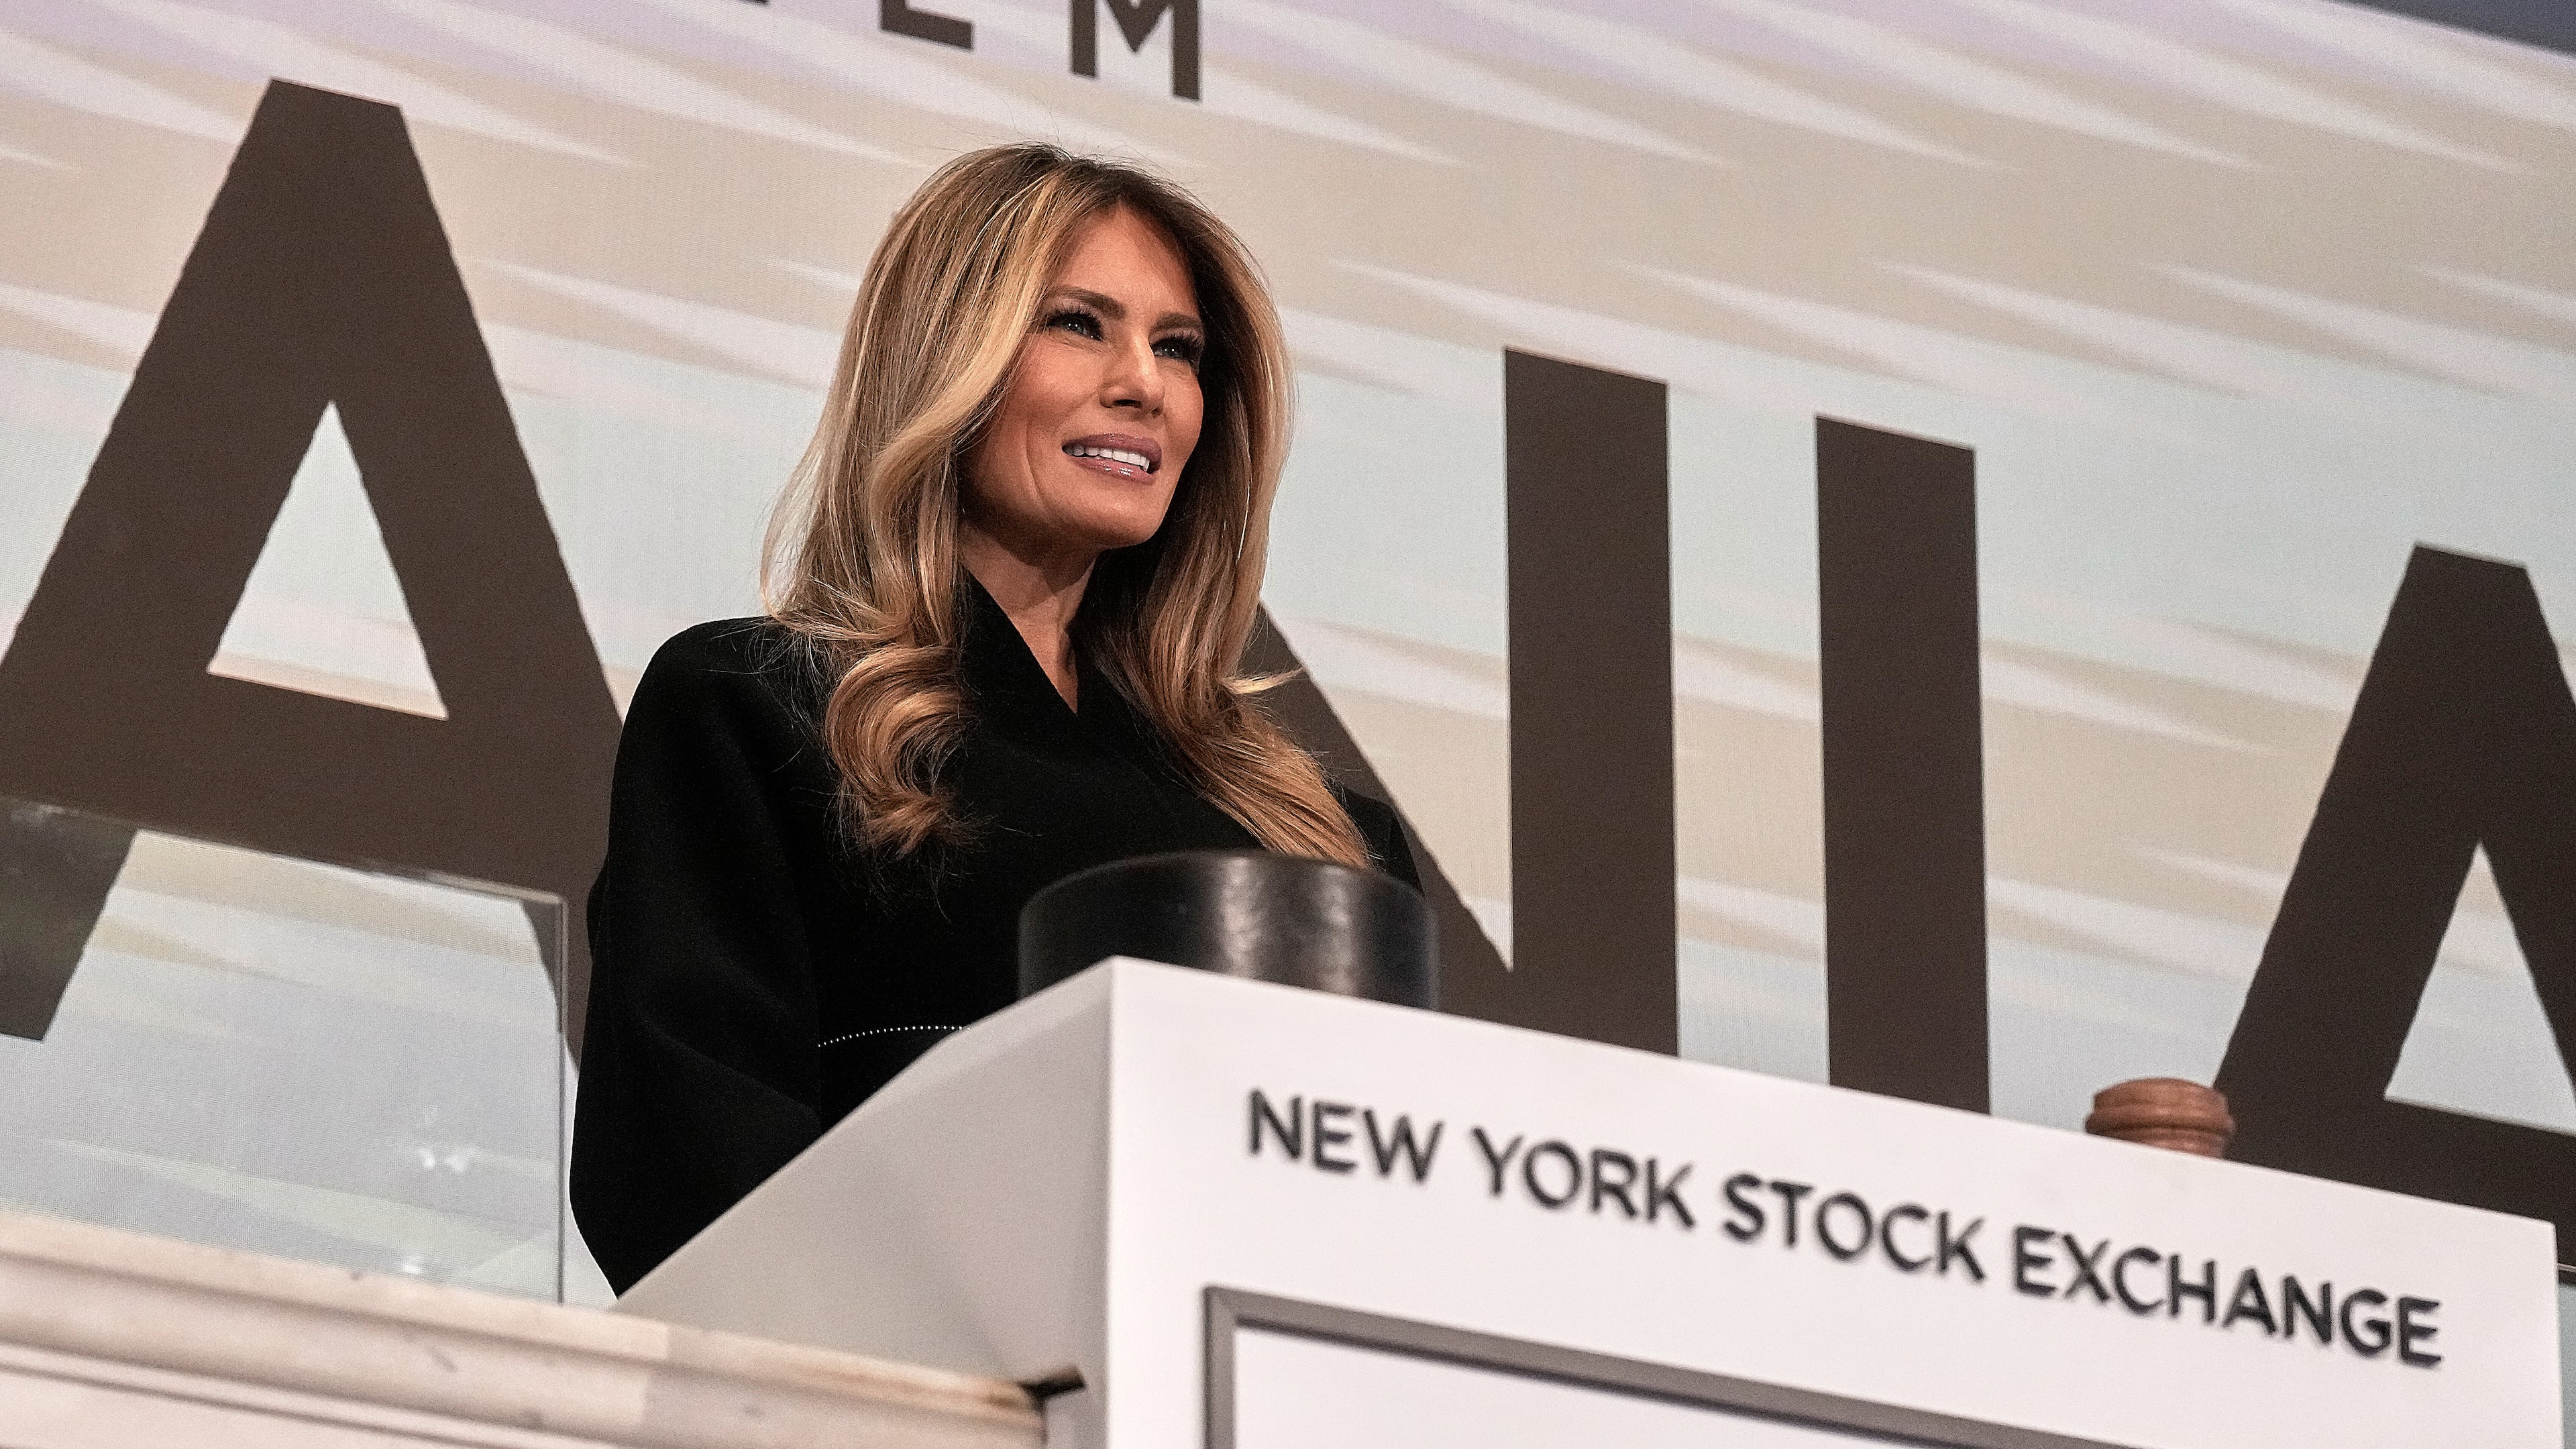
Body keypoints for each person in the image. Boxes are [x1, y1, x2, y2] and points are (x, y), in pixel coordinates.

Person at [569, 145, 1417, 1293]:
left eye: (1178, 348)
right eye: (1079, 324)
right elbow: (683, 1181)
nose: (1145, 384)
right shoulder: (761, 714)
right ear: (944, 357)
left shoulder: (1330, 843)